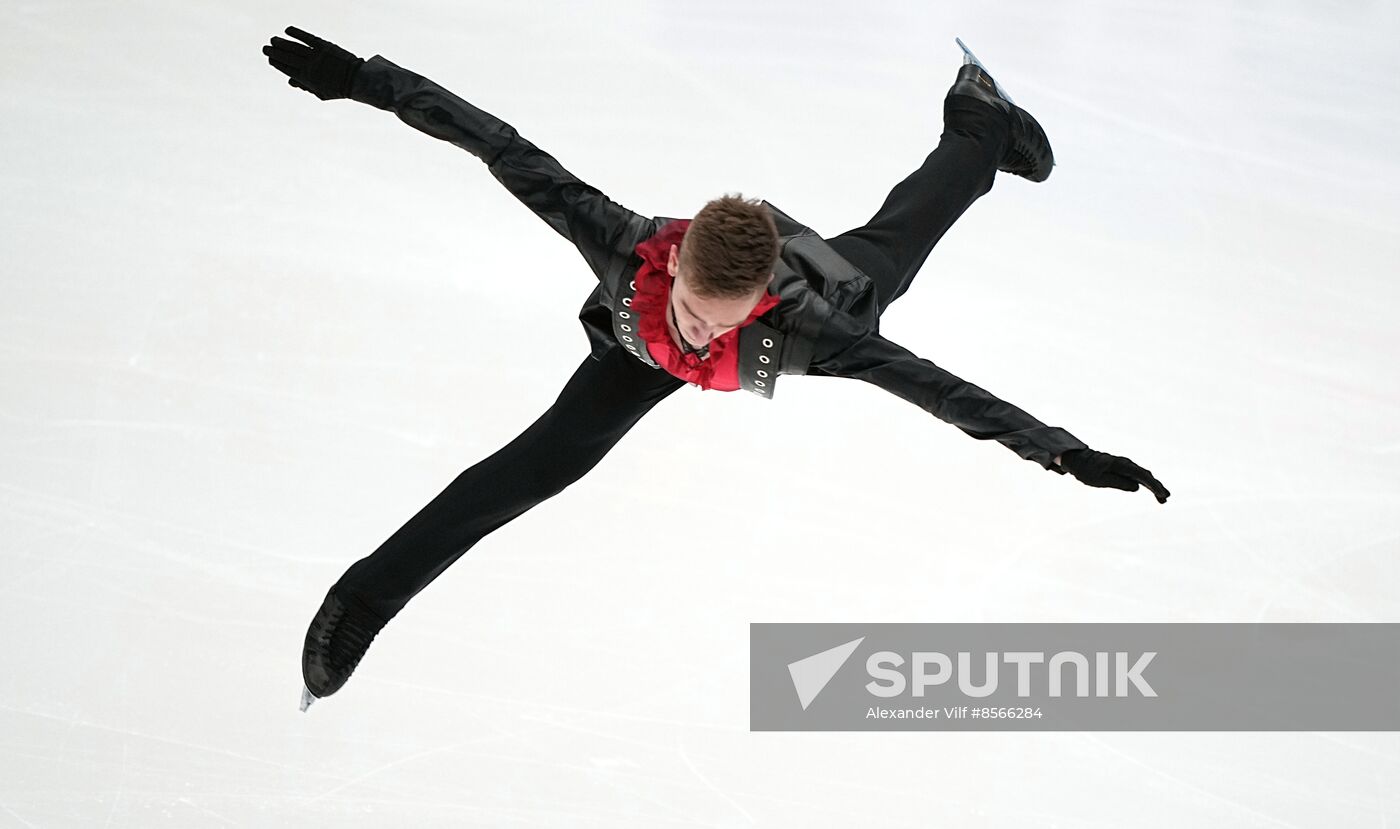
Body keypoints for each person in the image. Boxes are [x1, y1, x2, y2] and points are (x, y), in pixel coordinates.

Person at [262, 26, 1170, 710]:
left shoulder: (816, 328)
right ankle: (361, 600)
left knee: (891, 253)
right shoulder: (619, 245)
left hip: (815, 307)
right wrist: (366, 84)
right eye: (694, 311)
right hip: (629, 348)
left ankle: (979, 121)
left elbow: (946, 393)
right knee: (539, 464)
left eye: (718, 325)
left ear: (759, 303)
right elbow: (501, 146)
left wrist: (1064, 452)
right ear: (677, 263)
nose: (699, 338)